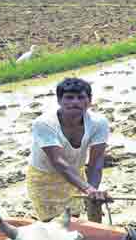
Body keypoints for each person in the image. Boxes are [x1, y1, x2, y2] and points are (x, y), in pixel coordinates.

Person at [27, 77, 111, 221]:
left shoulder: (99, 123)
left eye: (80, 97)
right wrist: (87, 189)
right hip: (45, 178)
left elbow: (96, 162)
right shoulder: (44, 123)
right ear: (59, 100)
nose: (75, 102)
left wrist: (93, 190)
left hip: (76, 175)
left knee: (73, 219)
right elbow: (58, 161)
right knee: (52, 224)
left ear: (89, 100)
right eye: (69, 98)